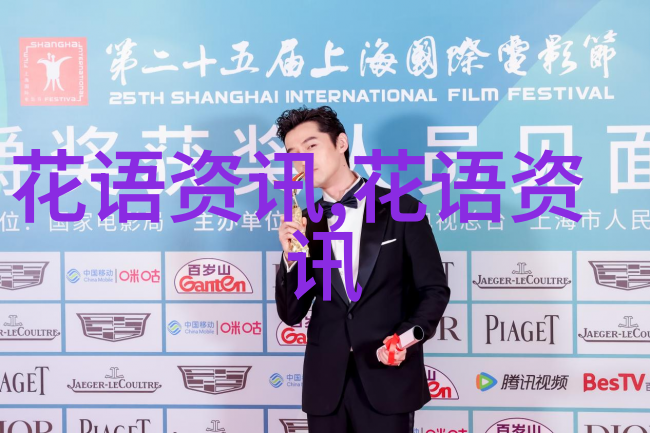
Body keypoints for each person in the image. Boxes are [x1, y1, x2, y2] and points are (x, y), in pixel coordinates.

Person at [274, 106, 450, 433]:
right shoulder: (306, 222)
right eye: (293, 154)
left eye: (311, 146)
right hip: (325, 385)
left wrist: (405, 338)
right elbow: (292, 313)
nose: (302, 161)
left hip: (388, 376)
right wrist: (292, 258)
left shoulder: (402, 208)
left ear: (341, 143)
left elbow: (433, 290)